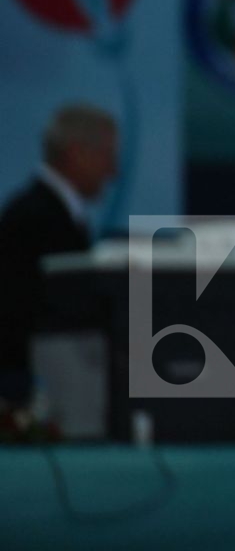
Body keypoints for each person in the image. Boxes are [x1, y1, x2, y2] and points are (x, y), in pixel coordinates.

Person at [0, 104, 118, 404]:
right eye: (107, 155)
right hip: (30, 387)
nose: (113, 171)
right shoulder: (33, 218)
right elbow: (22, 311)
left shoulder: (53, 214)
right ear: (76, 153)